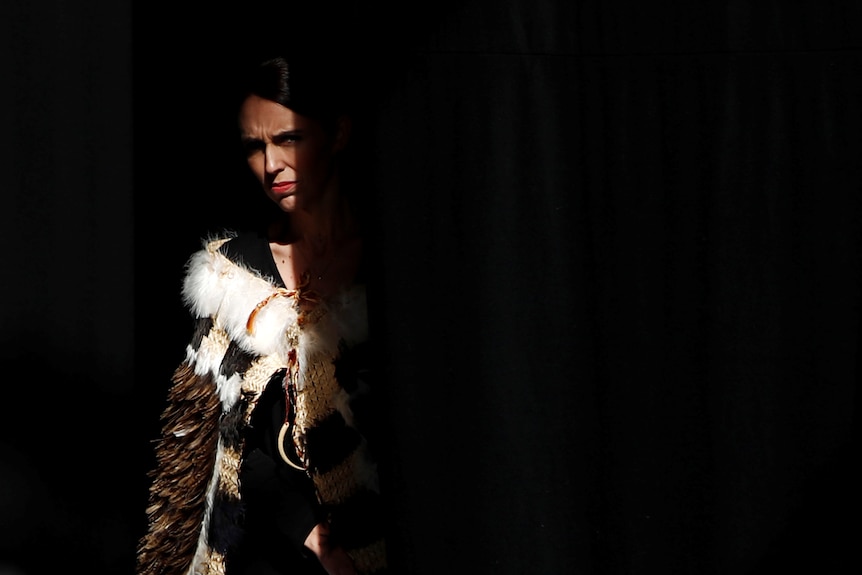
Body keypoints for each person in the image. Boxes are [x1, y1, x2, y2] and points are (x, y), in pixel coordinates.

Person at [136, 53, 388, 575]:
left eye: (288, 138)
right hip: (267, 554)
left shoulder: (391, 271)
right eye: (256, 147)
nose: (271, 165)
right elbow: (215, 444)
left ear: (338, 134)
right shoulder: (230, 280)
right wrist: (313, 537)